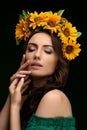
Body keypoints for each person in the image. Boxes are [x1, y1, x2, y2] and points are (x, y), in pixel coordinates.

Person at [0, 9, 82, 130]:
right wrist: (12, 95)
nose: (37, 55)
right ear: (24, 58)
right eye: (31, 49)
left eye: (47, 51)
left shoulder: (54, 98)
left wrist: (15, 106)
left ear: (58, 61)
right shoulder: (22, 99)